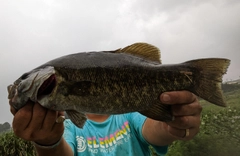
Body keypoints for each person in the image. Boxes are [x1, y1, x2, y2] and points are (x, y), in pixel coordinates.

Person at [10, 91, 202, 156]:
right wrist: (47, 142)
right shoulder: (71, 126)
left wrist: (174, 123)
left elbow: (156, 130)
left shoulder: (130, 115)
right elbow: (59, 151)